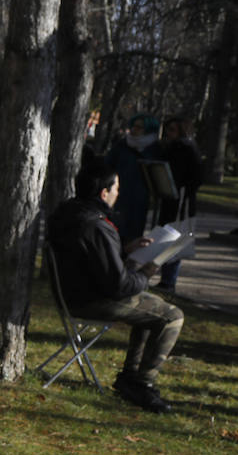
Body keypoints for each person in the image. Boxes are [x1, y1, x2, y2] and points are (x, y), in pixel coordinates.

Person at [45, 158, 184, 414]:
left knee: (152, 309)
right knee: (172, 316)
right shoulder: (96, 225)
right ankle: (142, 383)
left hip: (73, 293)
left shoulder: (69, 212)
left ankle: (130, 378)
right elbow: (119, 285)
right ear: (103, 192)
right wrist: (147, 271)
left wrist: (125, 249)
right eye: (116, 188)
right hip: (92, 300)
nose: (118, 194)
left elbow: (92, 258)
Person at [156, 116, 203, 294]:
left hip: (181, 201)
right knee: (166, 236)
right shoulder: (173, 148)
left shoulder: (186, 149)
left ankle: (169, 280)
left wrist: (182, 189)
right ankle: (165, 277)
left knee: (175, 238)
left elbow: (196, 177)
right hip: (171, 199)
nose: (169, 134)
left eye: (172, 130)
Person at [106, 113, 164, 243]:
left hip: (139, 198)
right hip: (119, 194)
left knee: (134, 234)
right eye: (134, 126)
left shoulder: (155, 149)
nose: (134, 129)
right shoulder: (122, 145)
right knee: (115, 231)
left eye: (139, 127)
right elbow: (108, 165)